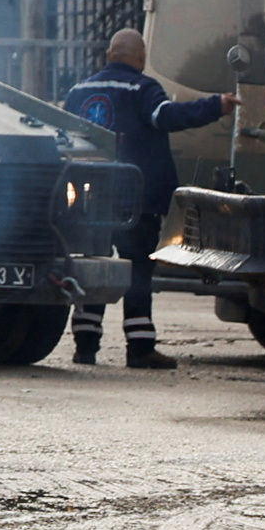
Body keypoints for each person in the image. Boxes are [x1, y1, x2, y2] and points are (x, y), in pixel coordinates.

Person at [60, 27, 223, 368]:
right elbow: (167, 117)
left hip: (88, 199)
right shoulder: (142, 88)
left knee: (95, 267)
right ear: (141, 59)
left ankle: (85, 346)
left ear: (108, 55)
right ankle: (140, 347)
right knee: (137, 271)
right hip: (135, 199)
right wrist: (215, 106)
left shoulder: (79, 91)